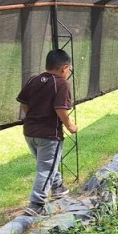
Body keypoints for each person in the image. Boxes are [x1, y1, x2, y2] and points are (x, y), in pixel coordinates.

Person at [16, 49, 78, 216]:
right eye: (69, 69)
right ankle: (36, 203)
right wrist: (70, 125)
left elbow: (24, 102)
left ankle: (57, 187)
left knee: (47, 164)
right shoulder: (62, 83)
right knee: (46, 167)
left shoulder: (33, 80)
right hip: (49, 134)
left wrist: (33, 116)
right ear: (64, 68)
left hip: (29, 132)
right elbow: (60, 109)